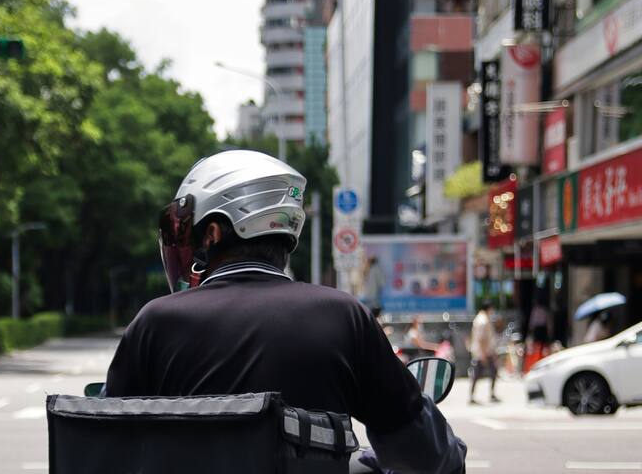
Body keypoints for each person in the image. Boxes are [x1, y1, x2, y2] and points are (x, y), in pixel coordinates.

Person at [105, 150, 466, 473]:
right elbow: (423, 452)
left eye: (190, 232)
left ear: (212, 233)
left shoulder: (156, 322)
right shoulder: (344, 316)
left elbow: (104, 442)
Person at [469, 302, 499, 405]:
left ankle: (473, 395)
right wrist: (483, 354)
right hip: (484, 352)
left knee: (478, 374)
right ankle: (489, 394)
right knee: (487, 372)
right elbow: (481, 339)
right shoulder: (483, 320)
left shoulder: (480, 318)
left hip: (481, 351)